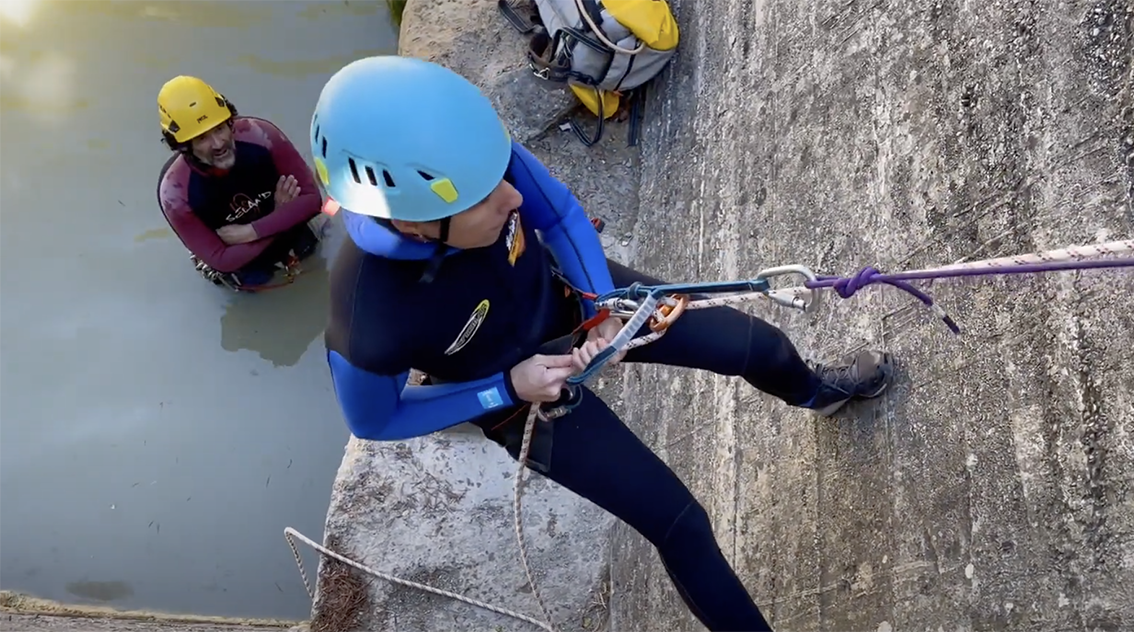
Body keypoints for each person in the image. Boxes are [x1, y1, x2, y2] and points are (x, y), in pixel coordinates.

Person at [316, 55, 895, 632]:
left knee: (757, 347)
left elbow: (562, 216)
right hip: (522, 396)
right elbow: (377, 420)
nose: (512, 198)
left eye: (501, 177)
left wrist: (600, 307)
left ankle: (819, 393)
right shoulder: (368, 316)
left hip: (575, 299)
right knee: (680, 524)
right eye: (486, 199)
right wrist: (503, 389)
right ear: (417, 222)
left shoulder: (479, 169)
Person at [155, 75, 327, 290]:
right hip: (246, 265)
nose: (218, 143)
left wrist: (252, 231)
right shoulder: (175, 192)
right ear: (183, 146)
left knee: (312, 249)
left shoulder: (261, 136)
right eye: (201, 138)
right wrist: (283, 216)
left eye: (219, 128)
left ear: (230, 121)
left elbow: (312, 201)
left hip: (281, 237)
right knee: (254, 283)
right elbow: (222, 260)